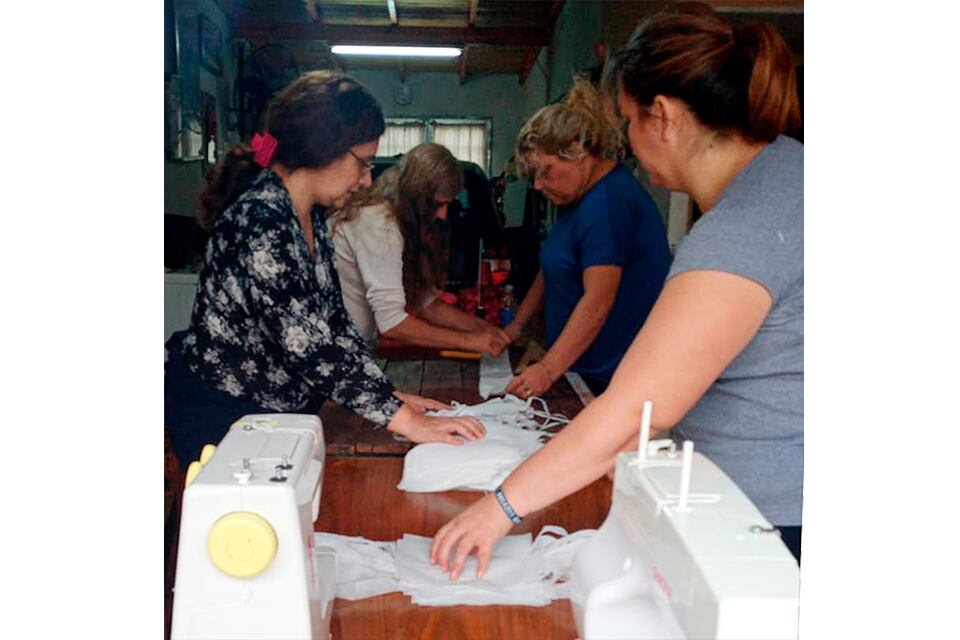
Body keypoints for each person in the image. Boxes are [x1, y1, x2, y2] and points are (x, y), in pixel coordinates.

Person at [430, 1, 803, 577]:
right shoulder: (784, 176)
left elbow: (636, 406)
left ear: (664, 116)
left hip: (768, 522)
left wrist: (500, 507)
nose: (625, 140)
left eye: (629, 120)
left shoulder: (744, 226)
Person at [165, 71, 485, 470]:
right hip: (227, 416)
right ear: (323, 150)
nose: (366, 179)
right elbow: (308, 346)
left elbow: (334, 326)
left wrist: (386, 395)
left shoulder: (310, 218)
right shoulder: (261, 221)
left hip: (275, 413)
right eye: (363, 163)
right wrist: (406, 421)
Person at [502, 77, 671, 399]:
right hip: (580, 368)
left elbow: (597, 300)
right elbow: (552, 267)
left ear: (577, 150)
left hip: (612, 377)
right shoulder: (575, 200)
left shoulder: (608, 203)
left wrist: (548, 368)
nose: (537, 185)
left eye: (545, 170)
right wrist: (516, 327)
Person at [327, 143, 511, 356]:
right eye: (438, 204)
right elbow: (392, 323)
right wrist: (469, 341)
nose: (443, 215)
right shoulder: (379, 223)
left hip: (352, 347)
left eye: (448, 204)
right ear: (416, 197)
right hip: (334, 350)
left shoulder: (399, 217)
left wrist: (484, 329)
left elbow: (424, 302)